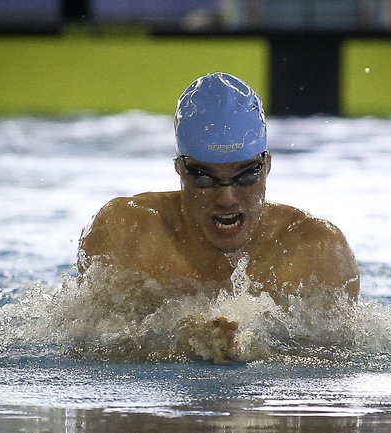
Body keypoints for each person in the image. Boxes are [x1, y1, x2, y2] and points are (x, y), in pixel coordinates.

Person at [77, 72, 359, 363]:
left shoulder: (317, 251)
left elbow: (342, 362)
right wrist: (178, 341)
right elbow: (82, 347)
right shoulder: (126, 232)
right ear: (180, 170)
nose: (227, 198)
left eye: (246, 175)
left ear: (267, 166)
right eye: (204, 178)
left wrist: (257, 350)